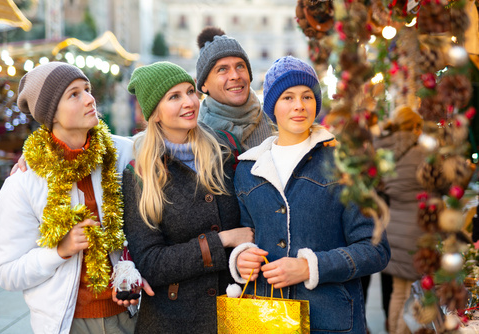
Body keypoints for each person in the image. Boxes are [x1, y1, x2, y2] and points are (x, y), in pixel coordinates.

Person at [228, 56, 391, 333]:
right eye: (288, 97)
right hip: (268, 319)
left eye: (307, 96)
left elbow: (375, 249)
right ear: (272, 107)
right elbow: (247, 235)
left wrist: (309, 267)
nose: (299, 106)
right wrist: (241, 257)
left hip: (330, 320)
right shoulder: (248, 168)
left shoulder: (344, 164)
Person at [0, 62, 145, 334]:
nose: (90, 99)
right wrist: (59, 251)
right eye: (74, 94)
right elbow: (7, 273)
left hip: (130, 313)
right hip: (67, 323)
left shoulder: (123, 153)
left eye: (87, 89)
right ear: (51, 113)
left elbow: (169, 140)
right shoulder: (24, 184)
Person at [122, 61, 254, 333]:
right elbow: (150, 262)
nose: (190, 102)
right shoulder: (141, 173)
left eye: (190, 91)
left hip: (235, 311)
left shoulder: (225, 150)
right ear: (155, 113)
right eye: (174, 97)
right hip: (173, 320)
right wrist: (222, 240)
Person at [374, 106, 426, 334]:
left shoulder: (385, 153)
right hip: (416, 231)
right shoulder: (422, 153)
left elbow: (381, 185)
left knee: (397, 291)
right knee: (413, 294)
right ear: (415, 127)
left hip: (392, 228)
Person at [195, 26, 275, 149]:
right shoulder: (194, 136)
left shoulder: (276, 120)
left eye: (240, 66)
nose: (235, 76)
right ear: (204, 84)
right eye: (222, 69)